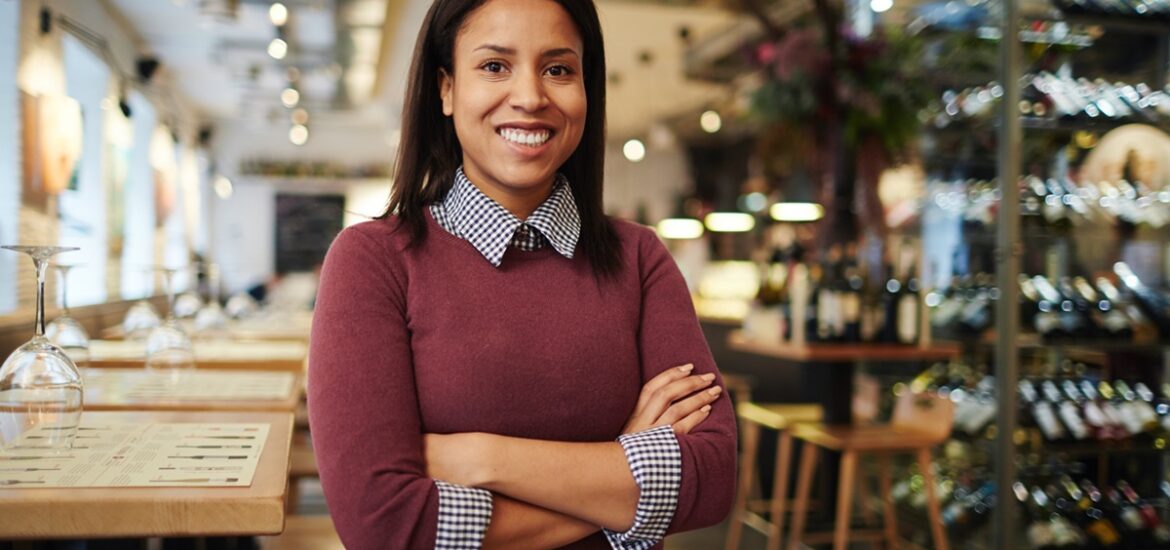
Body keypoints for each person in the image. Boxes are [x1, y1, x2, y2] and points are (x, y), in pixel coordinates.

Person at [307, 0, 736, 548]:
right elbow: (385, 523)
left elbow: (713, 477)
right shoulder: (374, 261)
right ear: (445, 88)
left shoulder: (639, 258)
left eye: (558, 69)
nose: (531, 97)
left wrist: (481, 458)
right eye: (494, 66)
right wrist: (622, 477)